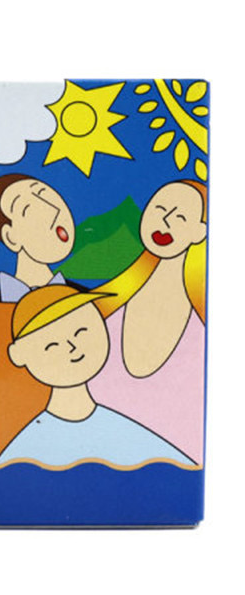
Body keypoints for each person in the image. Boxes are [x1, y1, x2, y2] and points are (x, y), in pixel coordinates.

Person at [0, 285, 194, 466]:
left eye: (82, 332)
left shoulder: (126, 432)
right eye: (52, 345)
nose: (72, 347)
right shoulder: (26, 446)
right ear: (18, 355)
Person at [90, 180, 207, 463]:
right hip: (89, 452)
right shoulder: (107, 305)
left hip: (168, 465)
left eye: (180, 217)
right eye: (159, 209)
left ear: (199, 232)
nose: (165, 221)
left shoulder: (201, 326)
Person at [0, 174, 80, 302]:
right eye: (26, 208)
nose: (53, 210)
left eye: (43, 193)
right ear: (11, 238)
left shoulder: (87, 299)